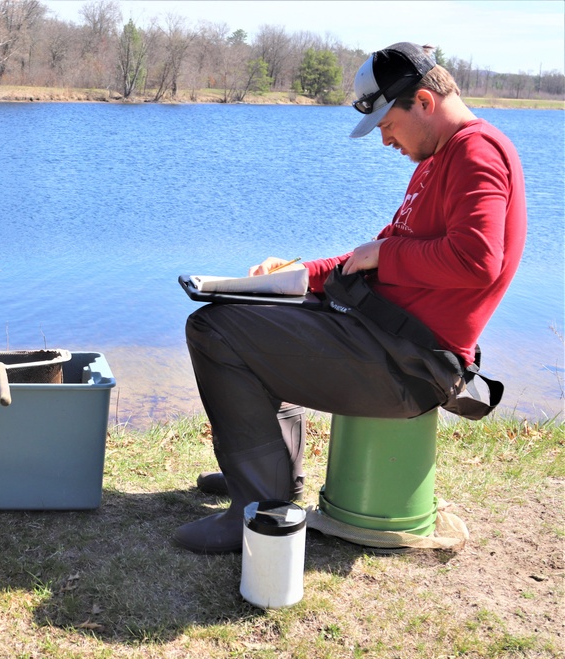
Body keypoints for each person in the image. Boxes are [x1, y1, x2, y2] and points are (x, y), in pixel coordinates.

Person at [176, 42, 527, 554]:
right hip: (383, 337)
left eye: (387, 124)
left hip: (411, 365)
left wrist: (386, 254)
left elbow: (478, 260)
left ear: (424, 103)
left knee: (213, 330)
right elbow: (376, 255)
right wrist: (302, 271)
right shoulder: (437, 158)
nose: (384, 139)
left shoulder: (477, 152)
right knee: (250, 309)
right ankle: (271, 475)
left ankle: (259, 507)